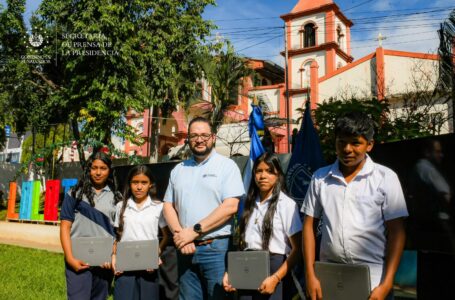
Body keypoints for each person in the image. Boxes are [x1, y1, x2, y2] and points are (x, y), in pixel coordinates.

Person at [302, 112, 408, 300]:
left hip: (373, 278)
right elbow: (309, 226)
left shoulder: (385, 178)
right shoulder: (320, 178)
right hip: (330, 276)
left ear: (370, 144)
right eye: (341, 142)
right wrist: (310, 275)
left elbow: (397, 232)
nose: (347, 149)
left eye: (355, 143)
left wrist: (387, 283)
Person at [163, 116, 245, 300]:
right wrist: (181, 236)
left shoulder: (227, 166)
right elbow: (167, 205)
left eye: (204, 135)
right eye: (194, 136)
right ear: (188, 139)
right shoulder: (178, 170)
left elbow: (231, 206)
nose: (199, 140)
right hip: (185, 250)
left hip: (216, 249)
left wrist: (193, 231)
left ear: (213, 137)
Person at [223, 153, 302, 299]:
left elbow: (297, 249)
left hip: (274, 269)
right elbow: (241, 244)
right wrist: (231, 272)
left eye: (269, 171)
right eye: (259, 171)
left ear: (278, 175)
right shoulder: (248, 203)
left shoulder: (286, 205)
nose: (263, 176)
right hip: (247, 267)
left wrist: (276, 278)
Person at [60, 151, 122, 300]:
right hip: (78, 260)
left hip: (104, 263)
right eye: (94, 168)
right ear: (89, 169)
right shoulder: (74, 194)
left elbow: (118, 232)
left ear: (110, 170)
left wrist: (113, 254)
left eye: (103, 168)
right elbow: (64, 227)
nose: (98, 172)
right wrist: (69, 258)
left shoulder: (118, 197)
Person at [112, 165, 170, 299]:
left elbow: (166, 236)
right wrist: (114, 256)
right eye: (135, 182)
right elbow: (118, 236)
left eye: (144, 183)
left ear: (150, 185)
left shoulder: (158, 207)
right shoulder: (121, 206)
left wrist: (157, 252)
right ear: (129, 184)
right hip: (124, 266)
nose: (139, 187)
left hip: (148, 266)